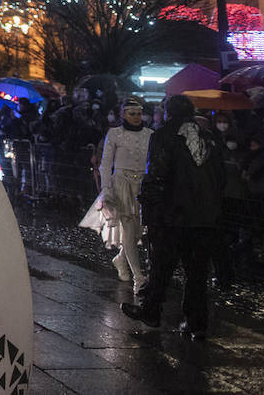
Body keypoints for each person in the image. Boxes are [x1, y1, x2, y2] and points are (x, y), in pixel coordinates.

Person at [122, 94, 227, 340]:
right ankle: (196, 322)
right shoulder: (209, 138)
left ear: (168, 113)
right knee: (197, 271)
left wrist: (149, 209)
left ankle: (151, 311)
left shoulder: (163, 136)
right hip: (203, 216)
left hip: (172, 214)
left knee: (161, 266)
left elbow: (157, 174)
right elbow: (221, 177)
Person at [84, 96, 152, 295]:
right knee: (129, 229)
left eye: (139, 114)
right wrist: (106, 189)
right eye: (132, 114)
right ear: (123, 114)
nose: (136, 117)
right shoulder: (114, 134)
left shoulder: (150, 134)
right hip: (122, 183)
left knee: (140, 230)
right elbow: (106, 163)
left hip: (142, 184)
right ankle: (138, 276)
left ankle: (120, 259)